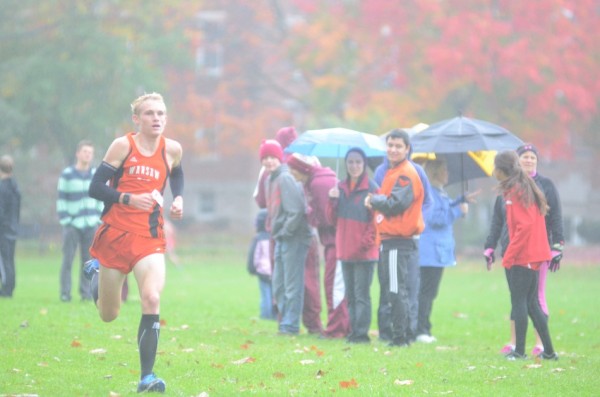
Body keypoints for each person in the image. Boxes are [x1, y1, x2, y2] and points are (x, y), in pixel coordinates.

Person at [85, 92, 184, 393]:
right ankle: (95, 273)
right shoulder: (123, 146)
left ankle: (147, 377)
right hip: (114, 236)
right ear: (137, 119)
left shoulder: (173, 149)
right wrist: (127, 198)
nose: (156, 118)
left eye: (161, 113)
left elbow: (177, 176)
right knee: (108, 314)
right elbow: (95, 187)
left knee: (151, 298)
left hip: (149, 239)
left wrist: (178, 198)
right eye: (150, 113)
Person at [484, 143, 565, 357]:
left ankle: (519, 352)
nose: (493, 172)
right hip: (531, 254)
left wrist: (509, 256)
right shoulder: (518, 187)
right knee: (531, 304)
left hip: (525, 256)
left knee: (519, 302)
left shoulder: (518, 190)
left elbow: (525, 226)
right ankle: (549, 352)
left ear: (504, 170)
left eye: (495, 168)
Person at [365, 129, 425, 347]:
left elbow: (395, 204)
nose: (393, 149)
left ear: (407, 149)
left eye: (398, 146)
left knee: (395, 289)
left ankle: (401, 338)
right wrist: (378, 201)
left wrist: (374, 201)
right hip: (390, 239)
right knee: (394, 288)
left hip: (398, 240)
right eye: (390, 145)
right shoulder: (393, 171)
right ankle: (402, 335)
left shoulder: (405, 173)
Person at [415, 158, 479, 343]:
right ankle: (421, 330)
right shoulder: (431, 193)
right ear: (436, 173)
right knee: (426, 292)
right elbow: (435, 217)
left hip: (437, 252)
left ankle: (424, 327)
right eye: (445, 171)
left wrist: (461, 200)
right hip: (430, 252)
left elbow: (445, 207)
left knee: (430, 292)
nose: (448, 174)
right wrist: (459, 211)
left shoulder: (439, 193)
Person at [288, 152, 350, 338]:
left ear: (303, 169)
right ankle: (341, 326)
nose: (290, 173)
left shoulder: (318, 183)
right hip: (332, 242)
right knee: (334, 284)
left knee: (334, 286)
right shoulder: (314, 181)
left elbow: (327, 219)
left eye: (293, 169)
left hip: (336, 242)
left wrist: (309, 214)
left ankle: (336, 329)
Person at [260, 139, 312, 335]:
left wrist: (284, 231)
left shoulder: (285, 177)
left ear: (279, 158)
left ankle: (290, 326)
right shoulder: (269, 179)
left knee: (292, 285)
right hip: (281, 236)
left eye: (272, 157)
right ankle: (285, 322)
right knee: (278, 284)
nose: (269, 161)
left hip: (294, 237)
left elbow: (296, 211)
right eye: (265, 158)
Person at [327, 148, 379, 343]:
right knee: (350, 294)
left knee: (362, 294)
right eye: (350, 162)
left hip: (364, 253)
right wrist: (332, 201)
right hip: (345, 250)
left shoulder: (372, 189)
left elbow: (376, 222)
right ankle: (353, 331)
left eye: (358, 162)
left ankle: (361, 334)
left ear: (364, 164)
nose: (354, 166)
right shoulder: (339, 188)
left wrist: (364, 244)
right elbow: (332, 220)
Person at [56, 140, 103, 302]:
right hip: (72, 225)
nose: (87, 155)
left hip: (91, 224)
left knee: (89, 262)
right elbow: (61, 198)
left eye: (90, 152)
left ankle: (86, 293)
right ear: (78, 153)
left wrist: (97, 217)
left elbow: (99, 198)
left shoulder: (95, 174)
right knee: (68, 259)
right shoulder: (67, 174)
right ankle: (65, 293)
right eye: (85, 151)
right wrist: (66, 220)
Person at [246, 209, 277, 320]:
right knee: (275, 294)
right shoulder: (276, 237)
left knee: (265, 294)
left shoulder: (258, 238)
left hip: (262, 271)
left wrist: (251, 269)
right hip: (275, 270)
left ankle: (265, 315)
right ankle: (275, 315)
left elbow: (253, 255)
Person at [0, 155, 21, 298]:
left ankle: (6, 289)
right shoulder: (15, 186)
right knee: (10, 259)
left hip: (3, 229)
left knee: (4, 260)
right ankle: (10, 287)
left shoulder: (2, 187)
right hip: (13, 228)